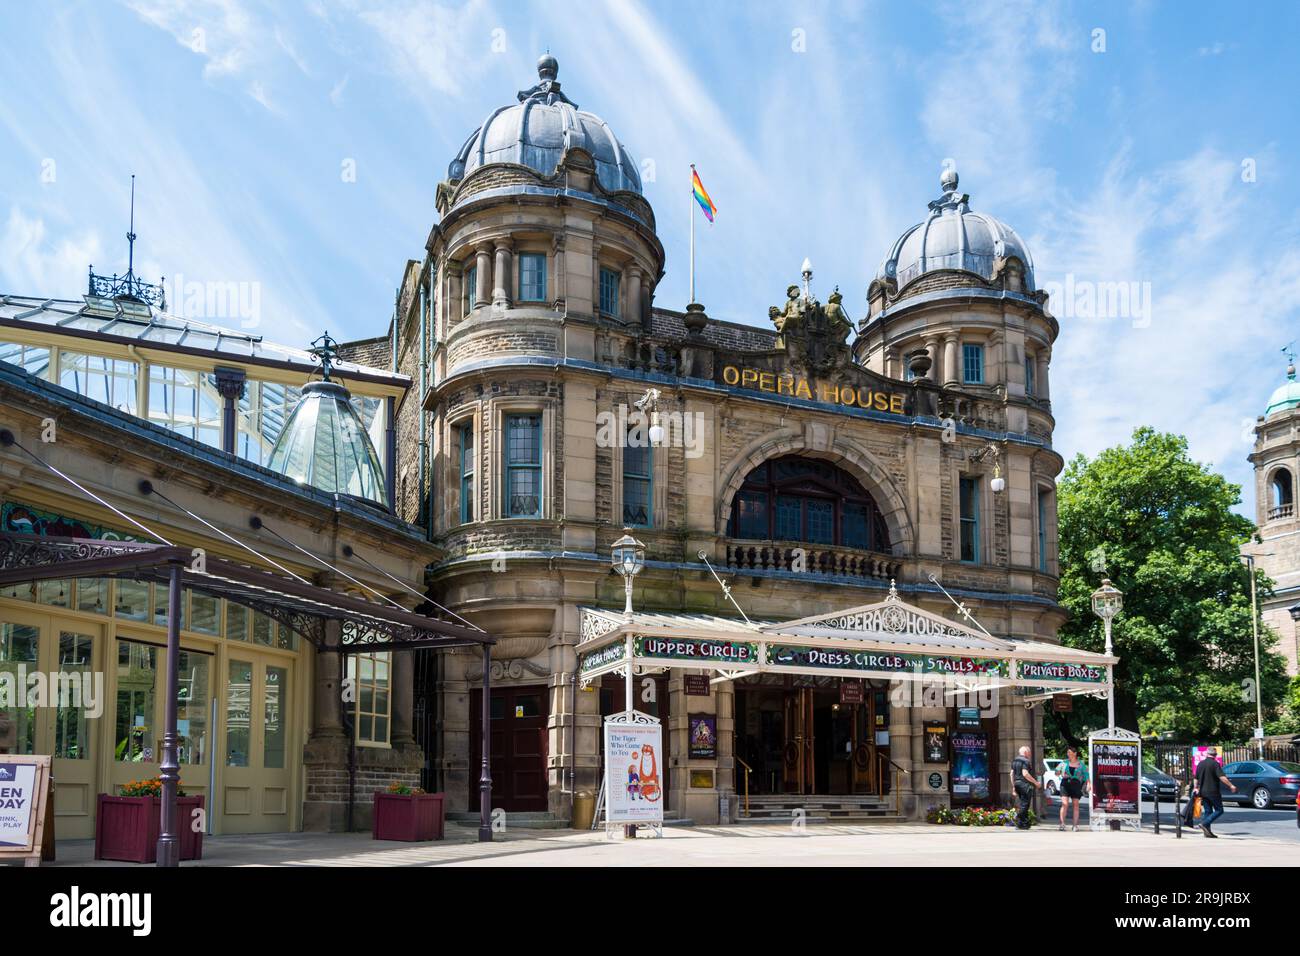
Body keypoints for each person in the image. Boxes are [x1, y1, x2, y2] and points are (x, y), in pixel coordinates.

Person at [1193, 747, 1237, 838]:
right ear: (1215, 755)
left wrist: (1195, 788)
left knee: (1208, 811)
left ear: (1207, 754)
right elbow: (1222, 777)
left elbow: (1196, 778)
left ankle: (1207, 832)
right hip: (1213, 791)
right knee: (1219, 810)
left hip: (1202, 791)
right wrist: (1231, 785)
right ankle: (1204, 823)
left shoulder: (1200, 764)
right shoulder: (1215, 764)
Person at [1058, 747, 1089, 831]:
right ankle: (1062, 824)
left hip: (1076, 785)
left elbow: (1086, 775)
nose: (1068, 754)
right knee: (1064, 804)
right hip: (1065, 784)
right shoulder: (1064, 763)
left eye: (1070, 752)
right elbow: (1056, 772)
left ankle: (1075, 825)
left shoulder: (1081, 764)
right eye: (1067, 753)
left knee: (1076, 805)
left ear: (1075, 753)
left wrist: (1089, 784)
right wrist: (1059, 773)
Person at [1010, 745, 1041, 830]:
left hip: (1017, 783)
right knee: (1025, 804)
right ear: (1026, 752)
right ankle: (1019, 819)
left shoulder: (1015, 760)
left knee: (1023, 803)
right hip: (1024, 785)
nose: (1030, 754)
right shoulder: (1026, 761)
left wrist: (1013, 786)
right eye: (1029, 752)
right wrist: (1036, 783)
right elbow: (1025, 773)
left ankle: (1024, 823)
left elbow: (1011, 774)